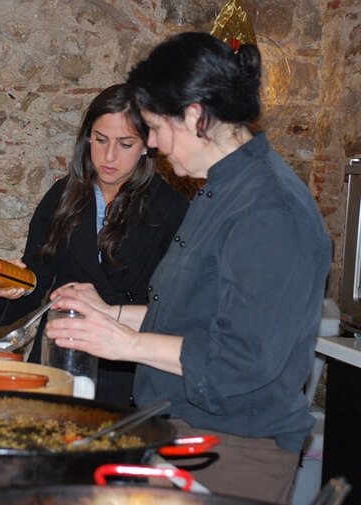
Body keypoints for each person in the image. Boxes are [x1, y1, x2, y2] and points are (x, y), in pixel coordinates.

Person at [45, 32, 331, 504]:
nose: (152, 144)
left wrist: (128, 344)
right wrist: (110, 314)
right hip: (179, 433)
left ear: (197, 115)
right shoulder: (220, 189)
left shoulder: (270, 209)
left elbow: (243, 360)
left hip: (234, 452)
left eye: (156, 127)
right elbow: (192, 318)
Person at [0, 83, 189, 406]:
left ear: (147, 145)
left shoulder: (170, 208)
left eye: (125, 144)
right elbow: (37, 282)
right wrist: (12, 286)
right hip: (61, 358)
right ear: (87, 137)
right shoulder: (62, 195)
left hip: (128, 369)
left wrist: (112, 312)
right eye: (100, 140)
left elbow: (177, 308)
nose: (108, 157)